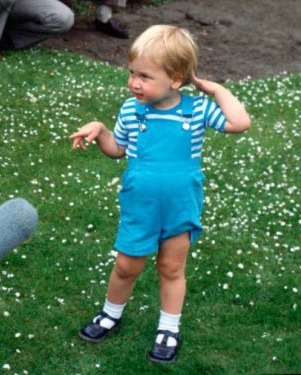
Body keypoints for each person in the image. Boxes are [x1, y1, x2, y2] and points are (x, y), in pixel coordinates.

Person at [68, 25, 251, 363]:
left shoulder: (196, 110)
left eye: (145, 77)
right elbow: (117, 150)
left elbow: (239, 122)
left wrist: (216, 89)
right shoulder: (130, 110)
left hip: (181, 204)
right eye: (132, 73)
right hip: (141, 203)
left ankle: (169, 327)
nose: (134, 83)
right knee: (127, 265)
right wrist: (101, 130)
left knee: (171, 267)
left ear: (176, 79)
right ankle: (111, 313)